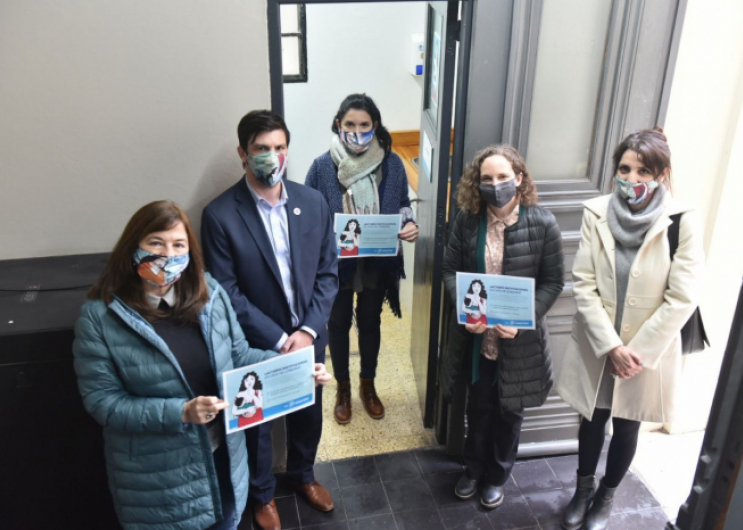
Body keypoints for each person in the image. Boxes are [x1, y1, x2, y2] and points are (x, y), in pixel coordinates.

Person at [72, 201, 331, 530]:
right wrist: (181, 412)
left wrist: (295, 370)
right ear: (132, 246)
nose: (168, 255)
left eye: (178, 245)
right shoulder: (100, 316)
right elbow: (103, 403)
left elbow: (238, 355)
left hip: (223, 455)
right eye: (156, 243)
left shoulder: (209, 294)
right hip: (160, 477)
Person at [556, 128, 705, 530]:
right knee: (591, 419)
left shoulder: (681, 221)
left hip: (645, 353)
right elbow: (583, 282)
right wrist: (610, 346)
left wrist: (635, 351)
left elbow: (682, 297)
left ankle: (606, 497)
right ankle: (582, 490)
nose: (633, 179)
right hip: (599, 344)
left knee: (626, 424)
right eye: (625, 168)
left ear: (662, 173)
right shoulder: (596, 212)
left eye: (644, 171)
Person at [201, 110, 338, 530]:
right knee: (259, 421)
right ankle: (262, 496)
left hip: (310, 334)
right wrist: (281, 340)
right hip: (258, 342)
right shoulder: (220, 214)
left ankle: (302, 475)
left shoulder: (312, 202)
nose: (272, 157)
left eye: (279, 147)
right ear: (243, 154)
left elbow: (328, 273)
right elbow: (227, 293)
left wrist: (308, 332)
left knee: (308, 411)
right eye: (262, 149)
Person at [441, 144, 564, 509]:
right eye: (486, 179)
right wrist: (468, 312)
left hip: (518, 343)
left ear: (519, 179)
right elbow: (450, 272)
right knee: (476, 408)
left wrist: (524, 322)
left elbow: (553, 283)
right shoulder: (466, 220)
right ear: (476, 184)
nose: (495, 185)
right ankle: (473, 469)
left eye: (503, 178)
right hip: (477, 339)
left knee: (509, 414)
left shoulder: (543, 223)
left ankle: (497, 476)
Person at [305, 93, 419, 424]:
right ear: (338, 125)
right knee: (337, 325)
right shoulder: (323, 165)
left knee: (370, 322)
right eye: (350, 124)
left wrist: (408, 222)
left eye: (365, 125)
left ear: (375, 126)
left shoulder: (392, 163)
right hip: (336, 265)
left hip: (377, 262)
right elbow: (309, 216)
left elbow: (402, 202)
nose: (357, 131)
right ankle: (342, 388)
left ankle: (368, 385)